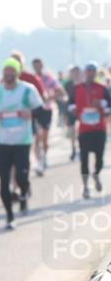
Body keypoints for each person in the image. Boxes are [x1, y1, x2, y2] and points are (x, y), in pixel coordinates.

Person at [0, 57, 43, 229]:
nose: (8, 75)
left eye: (12, 71)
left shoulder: (28, 90)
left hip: (22, 142)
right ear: (2, 74)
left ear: (17, 73)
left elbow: (41, 112)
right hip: (3, 143)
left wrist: (29, 113)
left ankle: (23, 193)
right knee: (3, 181)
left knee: (22, 177)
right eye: (6, 72)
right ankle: (9, 216)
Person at [68, 62, 111, 199]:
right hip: (84, 129)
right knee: (84, 159)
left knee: (99, 158)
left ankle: (96, 174)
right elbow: (70, 104)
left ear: (96, 73)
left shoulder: (102, 88)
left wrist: (102, 104)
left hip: (99, 128)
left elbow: (109, 106)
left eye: (93, 71)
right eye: (88, 71)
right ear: (84, 73)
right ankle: (86, 187)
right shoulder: (77, 88)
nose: (90, 73)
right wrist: (73, 110)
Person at [31, 58, 60, 176]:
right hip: (35, 110)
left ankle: (44, 156)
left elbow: (58, 89)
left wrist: (52, 96)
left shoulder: (48, 77)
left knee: (45, 139)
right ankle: (39, 162)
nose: (37, 67)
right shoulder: (32, 78)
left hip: (47, 110)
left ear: (42, 65)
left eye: (39, 65)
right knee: (37, 136)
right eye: (35, 66)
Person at [64, 65, 83, 161]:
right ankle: (73, 149)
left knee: (80, 130)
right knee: (72, 131)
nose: (75, 74)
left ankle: (81, 149)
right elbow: (67, 97)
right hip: (71, 109)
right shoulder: (68, 84)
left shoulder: (84, 84)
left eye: (77, 72)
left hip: (82, 109)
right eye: (73, 72)